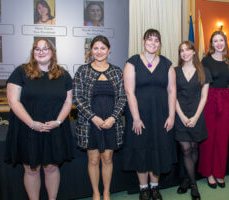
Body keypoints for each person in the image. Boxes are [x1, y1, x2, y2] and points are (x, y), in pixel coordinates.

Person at [5, 38, 73, 200]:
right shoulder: (21, 72)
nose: (41, 52)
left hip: (54, 129)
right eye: (37, 49)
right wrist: (32, 123)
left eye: (45, 48)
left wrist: (58, 122)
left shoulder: (63, 75)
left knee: (51, 168)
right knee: (31, 169)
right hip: (28, 129)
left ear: (53, 52)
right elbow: (13, 101)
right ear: (33, 52)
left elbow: (68, 101)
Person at [123, 29, 176, 200]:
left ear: (160, 44)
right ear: (143, 41)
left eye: (156, 40)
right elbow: (129, 92)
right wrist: (136, 118)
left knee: (158, 150)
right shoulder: (132, 63)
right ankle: (143, 189)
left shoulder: (167, 64)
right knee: (141, 150)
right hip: (139, 116)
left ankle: (155, 187)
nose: (153, 43)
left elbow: (172, 91)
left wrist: (172, 116)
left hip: (161, 116)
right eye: (149, 39)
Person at [73, 35, 126, 200]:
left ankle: (107, 192)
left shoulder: (117, 71)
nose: (99, 51)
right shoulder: (83, 71)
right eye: (96, 48)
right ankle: (96, 192)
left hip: (111, 122)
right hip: (89, 124)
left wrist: (112, 118)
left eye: (103, 48)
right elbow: (77, 98)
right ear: (91, 51)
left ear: (109, 50)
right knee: (94, 159)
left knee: (107, 158)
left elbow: (123, 98)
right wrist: (93, 117)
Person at [175, 41, 211, 200]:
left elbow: (204, 97)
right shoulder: (174, 71)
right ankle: (194, 186)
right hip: (180, 115)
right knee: (185, 149)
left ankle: (186, 180)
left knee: (194, 148)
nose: (184, 53)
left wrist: (196, 117)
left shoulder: (203, 70)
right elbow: (172, 96)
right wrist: (182, 116)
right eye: (182, 51)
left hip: (197, 115)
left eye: (187, 50)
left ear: (194, 52)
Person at [198, 31, 229, 189]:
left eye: (221, 40)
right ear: (211, 44)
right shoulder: (205, 61)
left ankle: (219, 173)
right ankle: (209, 173)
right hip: (210, 99)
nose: (219, 43)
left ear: (225, 42)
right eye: (215, 40)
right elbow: (200, 84)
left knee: (223, 138)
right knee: (209, 138)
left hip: (225, 99)